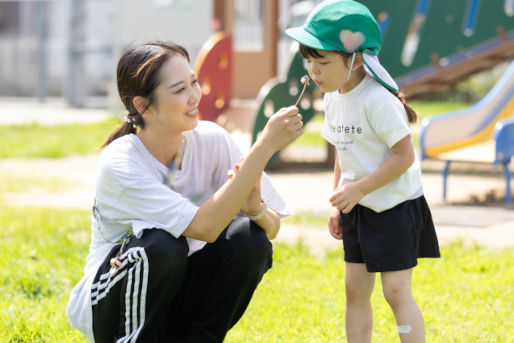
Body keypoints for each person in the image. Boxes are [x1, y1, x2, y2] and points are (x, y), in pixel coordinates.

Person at [66, 41, 303, 342]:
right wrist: (265, 145)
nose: (194, 97)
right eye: (179, 90)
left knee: (249, 239)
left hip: (175, 294)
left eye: (194, 82)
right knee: (164, 245)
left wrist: (255, 209)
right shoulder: (121, 162)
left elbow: (271, 229)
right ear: (142, 106)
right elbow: (204, 227)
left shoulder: (212, 140)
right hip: (112, 306)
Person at [285, 1, 440, 342]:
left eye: (321, 61)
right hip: (358, 206)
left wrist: (360, 189)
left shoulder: (377, 100)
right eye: (308, 60)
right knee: (355, 290)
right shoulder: (332, 97)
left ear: (354, 60)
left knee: (396, 291)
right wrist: (337, 201)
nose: (313, 70)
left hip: (394, 206)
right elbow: (344, 151)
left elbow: (404, 156)